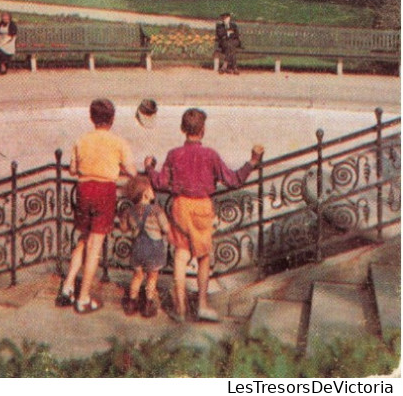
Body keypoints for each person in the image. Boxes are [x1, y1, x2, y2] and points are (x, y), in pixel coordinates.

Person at [145, 107, 264, 322]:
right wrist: (252, 162)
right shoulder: (210, 155)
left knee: (181, 255)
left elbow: (160, 182)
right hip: (202, 207)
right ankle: (201, 304)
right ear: (203, 131)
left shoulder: (174, 155)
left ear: (183, 129)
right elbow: (233, 179)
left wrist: (149, 168)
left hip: (180, 206)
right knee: (203, 256)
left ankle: (180, 309)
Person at [56, 98, 136, 314]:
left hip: (83, 190)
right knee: (95, 246)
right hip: (104, 192)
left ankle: (68, 286)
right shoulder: (118, 142)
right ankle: (83, 298)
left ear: (92, 118)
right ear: (112, 119)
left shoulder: (81, 140)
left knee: (83, 239)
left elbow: (73, 170)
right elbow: (131, 170)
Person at [120, 174, 174, 318]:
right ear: (145, 194)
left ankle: (131, 303)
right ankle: (148, 304)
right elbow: (166, 228)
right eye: (151, 189)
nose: (153, 191)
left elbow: (123, 228)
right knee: (152, 277)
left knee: (137, 276)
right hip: (154, 248)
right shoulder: (156, 210)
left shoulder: (129, 211)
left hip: (137, 247)